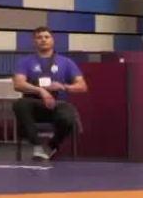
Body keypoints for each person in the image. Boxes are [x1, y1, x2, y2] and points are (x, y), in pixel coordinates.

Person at [12, 26, 87, 161]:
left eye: (47, 37)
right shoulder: (25, 62)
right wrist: (41, 91)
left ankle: (51, 145)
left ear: (53, 40)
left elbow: (82, 86)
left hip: (57, 105)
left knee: (68, 117)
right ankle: (37, 146)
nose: (43, 40)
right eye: (39, 37)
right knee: (20, 104)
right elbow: (18, 84)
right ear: (34, 41)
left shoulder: (66, 62)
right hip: (34, 104)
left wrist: (64, 86)